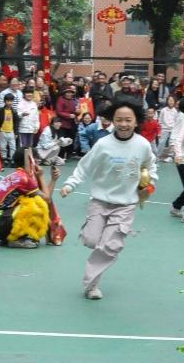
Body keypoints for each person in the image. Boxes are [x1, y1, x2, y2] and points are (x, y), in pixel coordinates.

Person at [59, 100, 156, 300]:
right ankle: (94, 237)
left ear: (136, 121)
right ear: (112, 120)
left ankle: (92, 285)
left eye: (128, 120)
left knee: (110, 245)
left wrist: (149, 184)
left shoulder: (143, 145)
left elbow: (150, 167)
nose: (123, 124)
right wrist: (70, 184)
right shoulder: (103, 144)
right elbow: (84, 166)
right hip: (100, 201)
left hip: (126, 204)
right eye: (119, 120)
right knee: (92, 240)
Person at [0, 147, 61, 249]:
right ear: (30, 161)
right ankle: (15, 239)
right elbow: (46, 199)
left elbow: (45, 196)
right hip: (0, 224)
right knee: (35, 204)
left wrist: (53, 180)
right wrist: (41, 176)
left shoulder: (18, 175)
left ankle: (11, 237)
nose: (38, 163)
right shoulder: (25, 179)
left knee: (33, 201)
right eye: (36, 160)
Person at [0, 94, 20, 165]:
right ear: (5, 101)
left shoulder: (14, 111)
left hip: (11, 132)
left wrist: (16, 132)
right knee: (2, 147)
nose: (10, 102)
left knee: (13, 147)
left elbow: (16, 123)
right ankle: (4, 159)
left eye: (11, 101)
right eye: (8, 101)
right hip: (2, 131)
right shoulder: (0, 111)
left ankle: (12, 159)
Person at [157, 94, 181, 162]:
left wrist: (175, 130)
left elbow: (176, 121)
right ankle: (157, 156)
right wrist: (160, 130)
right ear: (167, 101)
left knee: (172, 143)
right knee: (161, 142)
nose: (171, 102)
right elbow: (160, 120)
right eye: (169, 100)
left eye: (172, 100)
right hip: (164, 129)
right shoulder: (163, 110)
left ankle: (170, 156)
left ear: (174, 102)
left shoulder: (175, 111)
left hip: (172, 129)